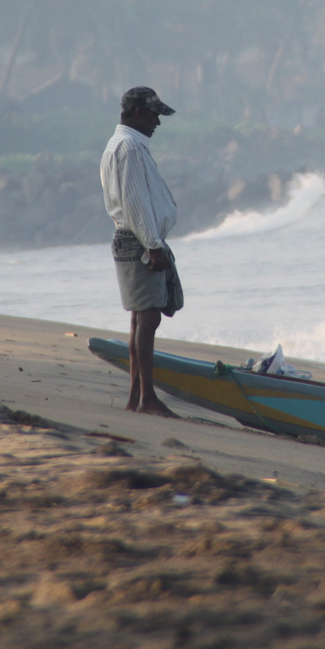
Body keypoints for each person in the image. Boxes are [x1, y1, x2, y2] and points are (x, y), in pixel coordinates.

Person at [100, 86, 184, 417]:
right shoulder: (130, 147)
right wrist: (153, 245)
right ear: (136, 113)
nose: (157, 123)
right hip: (138, 240)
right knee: (147, 319)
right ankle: (146, 399)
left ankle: (136, 398)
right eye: (153, 115)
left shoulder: (120, 144)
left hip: (132, 238)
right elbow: (135, 202)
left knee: (140, 319)